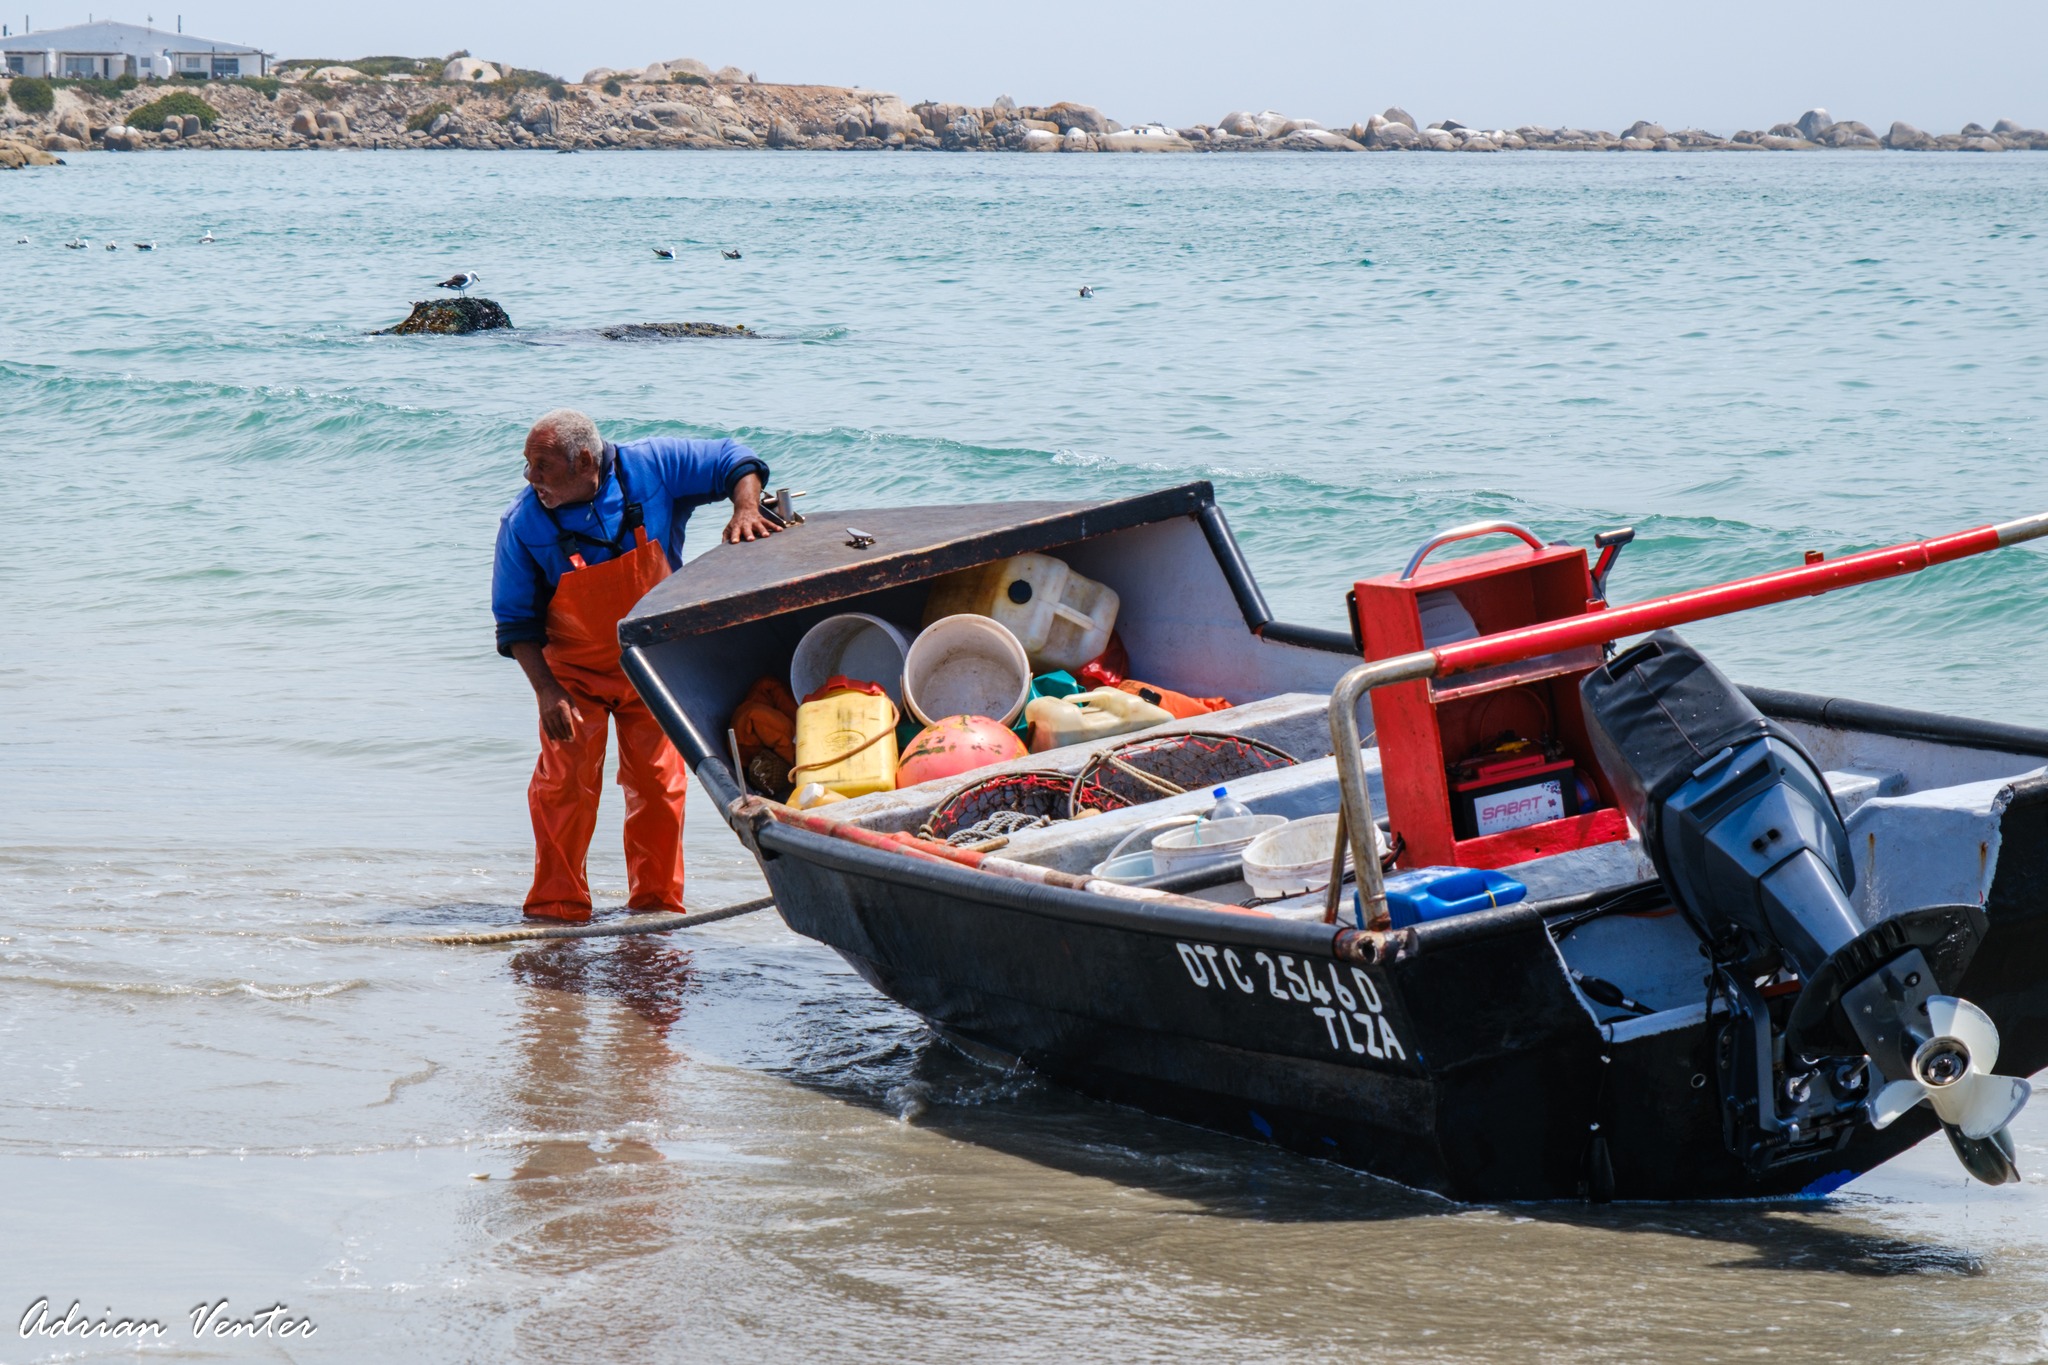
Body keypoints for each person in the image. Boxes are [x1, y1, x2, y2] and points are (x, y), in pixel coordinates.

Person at [493, 409, 780, 922]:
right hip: (573, 676)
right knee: (565, 785)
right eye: (527, 465)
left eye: (542, 466)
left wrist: (744, 510)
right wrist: (546, 692)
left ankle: (656, 911)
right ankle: (556, 909)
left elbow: (736, 459)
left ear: (585, 461)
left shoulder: (653, 467)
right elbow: (515, 623)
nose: (530, 478)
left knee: (657, 784)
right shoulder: (522, 524)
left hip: (651, 665)